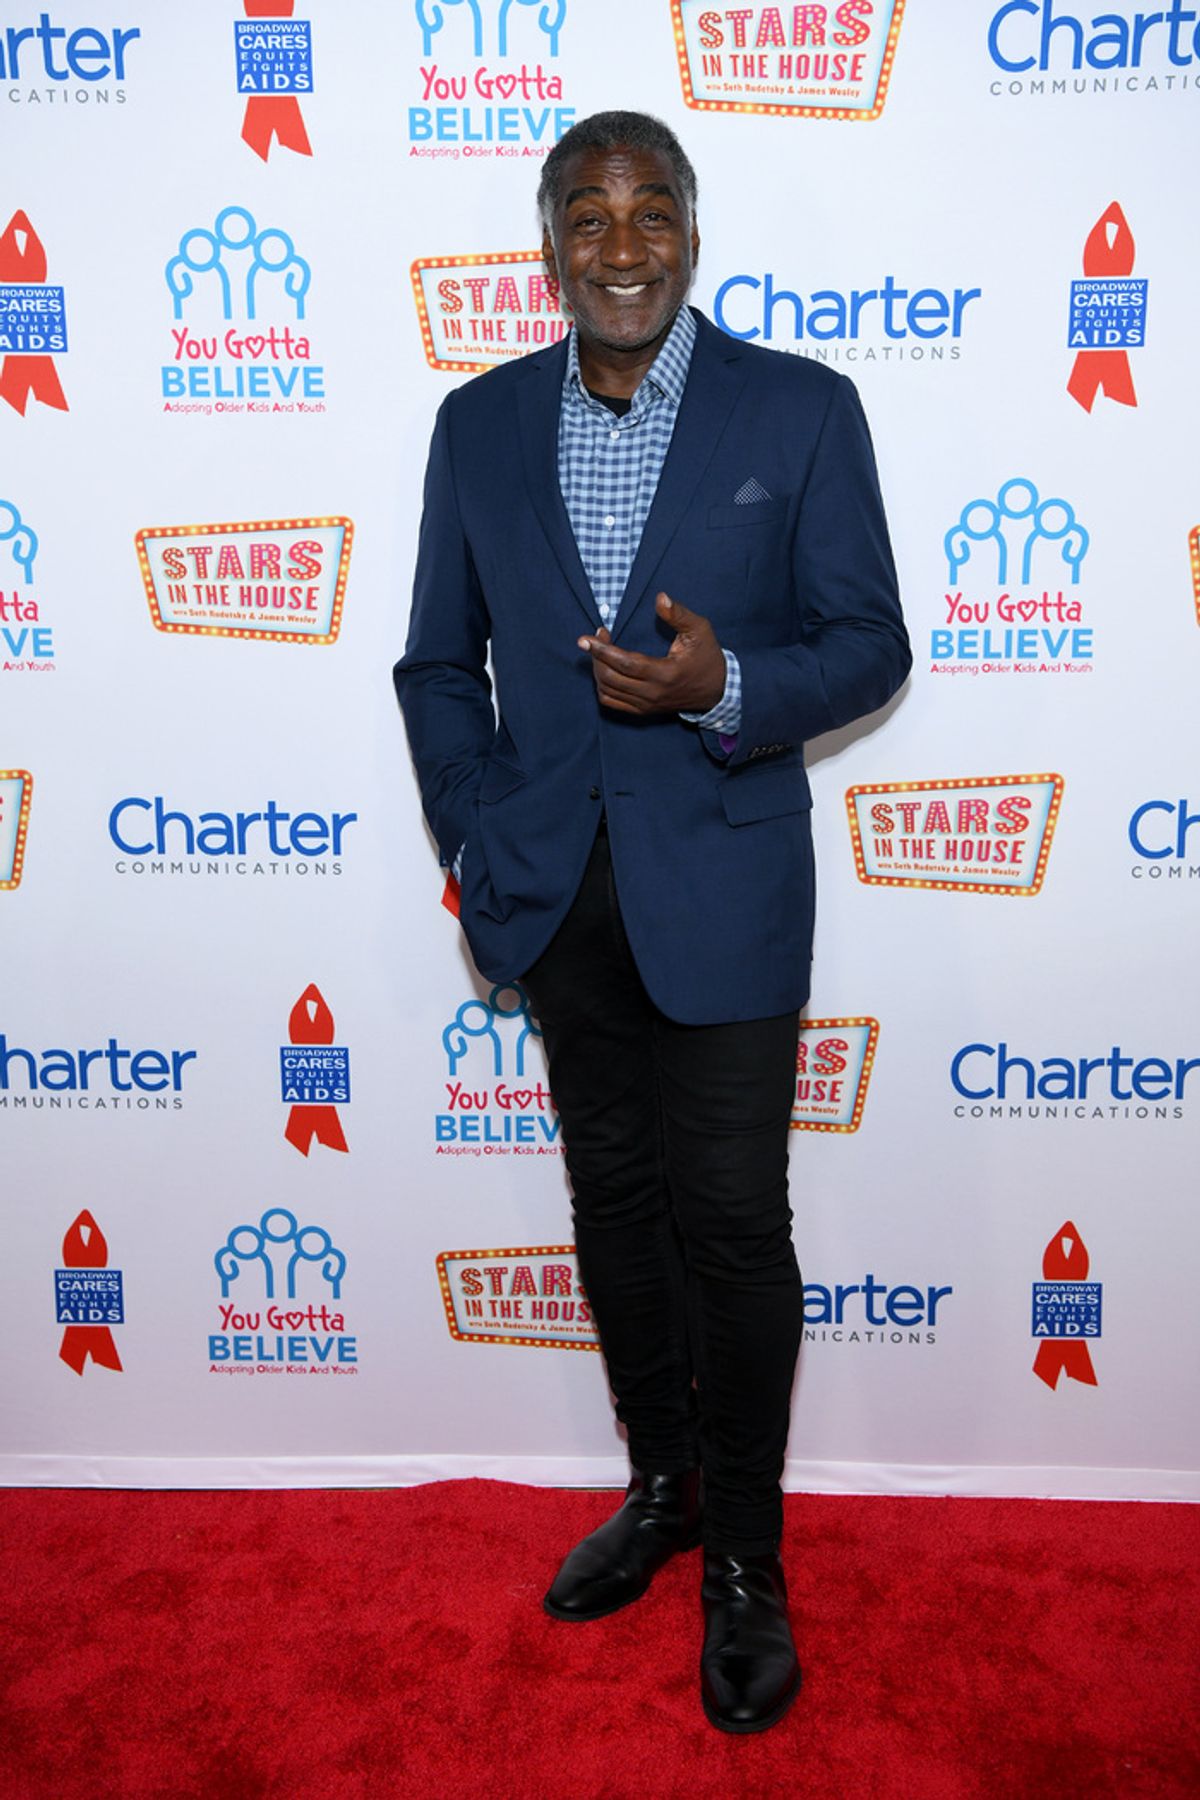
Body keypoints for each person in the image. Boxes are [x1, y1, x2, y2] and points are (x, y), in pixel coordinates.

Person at [395, 110, 910, 1734]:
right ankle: (666, 1488)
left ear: (693, 226)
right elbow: (436, 663)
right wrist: (477, 825)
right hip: (554, 893)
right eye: (588, 213)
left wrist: (725, 687)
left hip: (728, 886)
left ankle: (746, 1559)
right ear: (549, 240)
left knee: (734, 1223)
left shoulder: (801, 408)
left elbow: (872, 643)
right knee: (613, 1203)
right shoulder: (477, 423)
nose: (622, 246)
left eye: (652, 210)